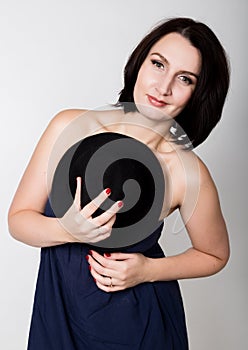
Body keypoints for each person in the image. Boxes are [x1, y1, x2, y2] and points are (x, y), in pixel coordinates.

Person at [8, 17, 230, 349]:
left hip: (138, 325)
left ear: (198, 93)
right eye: (158, 64)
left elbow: (215, 254)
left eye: (184, 78)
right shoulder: (71, 127)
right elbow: (18, 220)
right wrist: (69, 231)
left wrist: (148, 271)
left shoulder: (186, 171)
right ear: (140, 62)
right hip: (59, 313)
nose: (163, 87)